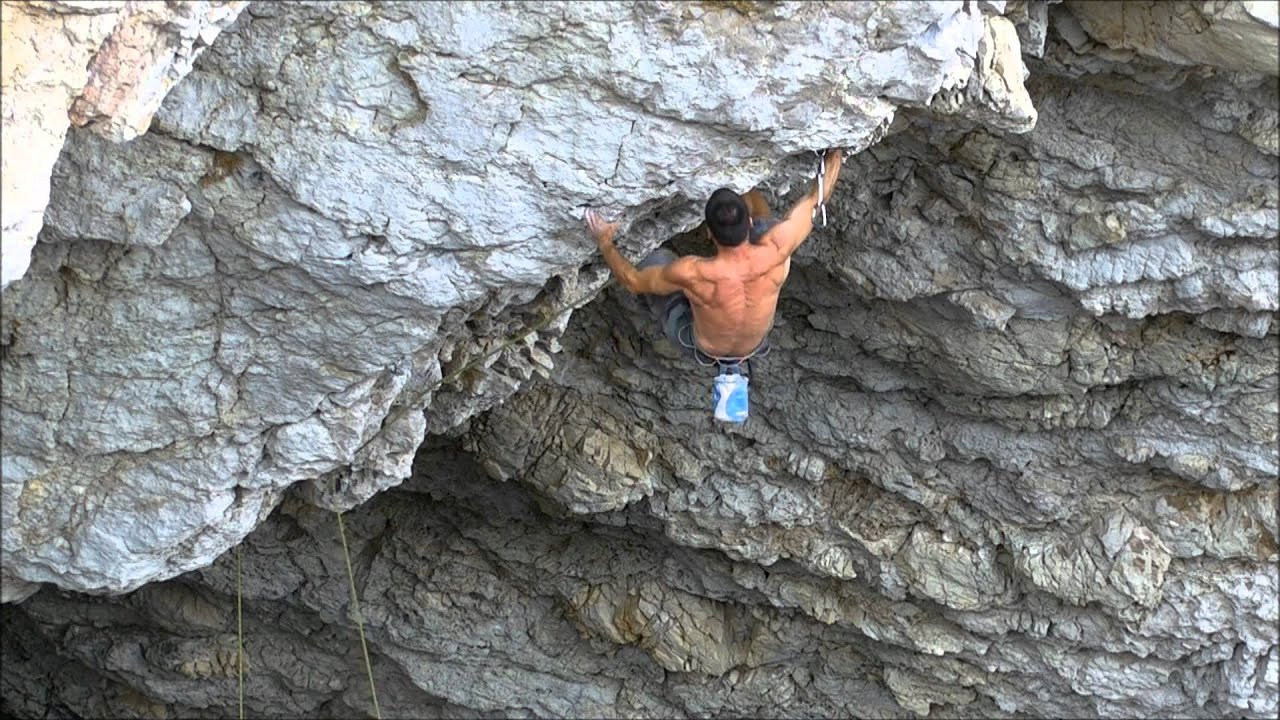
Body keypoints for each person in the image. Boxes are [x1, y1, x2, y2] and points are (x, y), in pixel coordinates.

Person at [585, 149, 843, 364]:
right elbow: (817, 199)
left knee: (656, 260)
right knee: (771, 228)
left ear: (707, 232)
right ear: (749, 222)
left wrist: (605, 242)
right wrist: (836, 154)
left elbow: (633, 281)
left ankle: (683, 312)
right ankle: (744, 189)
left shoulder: (693, 273)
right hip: (753, 342)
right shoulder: (776, 248)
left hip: (701, 344)